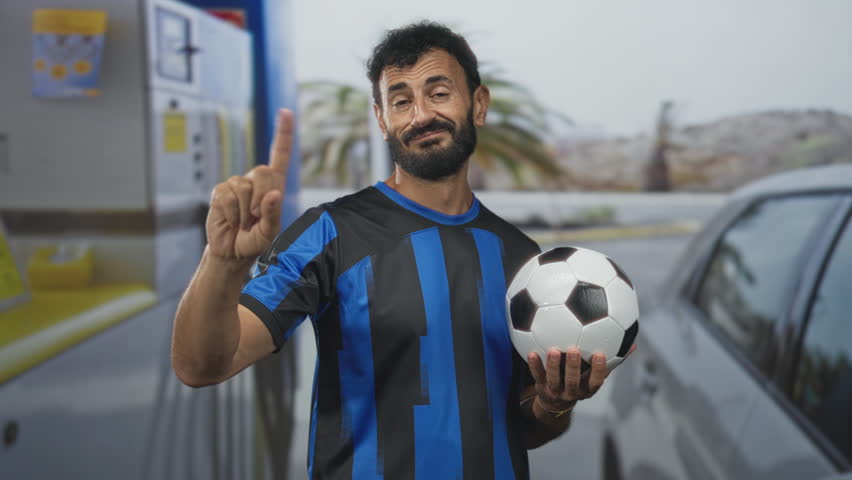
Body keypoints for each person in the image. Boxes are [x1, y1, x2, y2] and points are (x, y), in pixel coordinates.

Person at [172, 21, 626, 480]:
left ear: (479, 104)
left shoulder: (521, 257)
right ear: (382, 119)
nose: (421, 115)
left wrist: (552, 404)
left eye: (439, 93)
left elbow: (524, 427)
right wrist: (223, 262)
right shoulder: (330, 233)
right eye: (401, 101)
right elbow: (201, 366)